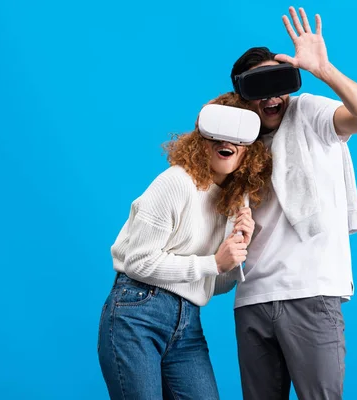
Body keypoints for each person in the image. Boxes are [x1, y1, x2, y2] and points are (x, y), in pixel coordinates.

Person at [227, 6, 357, 400]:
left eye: (278, 82)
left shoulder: (309, 112)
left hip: (310, 291)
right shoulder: (237, 140)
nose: (271, 96)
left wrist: (323, 70)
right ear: (243, 96)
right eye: (257, 87)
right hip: (252, 298)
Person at [97, 92, 272, 400]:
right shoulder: (175, 183)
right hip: (138, 312)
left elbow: (212, 284)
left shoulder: (229, 202)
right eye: (217, 129)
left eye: (238, 134)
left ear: (249, 150)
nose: (226, 140)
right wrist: (213, 263)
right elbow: (138, 262)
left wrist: (237, 251)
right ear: (200, 137)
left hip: (188, 322)